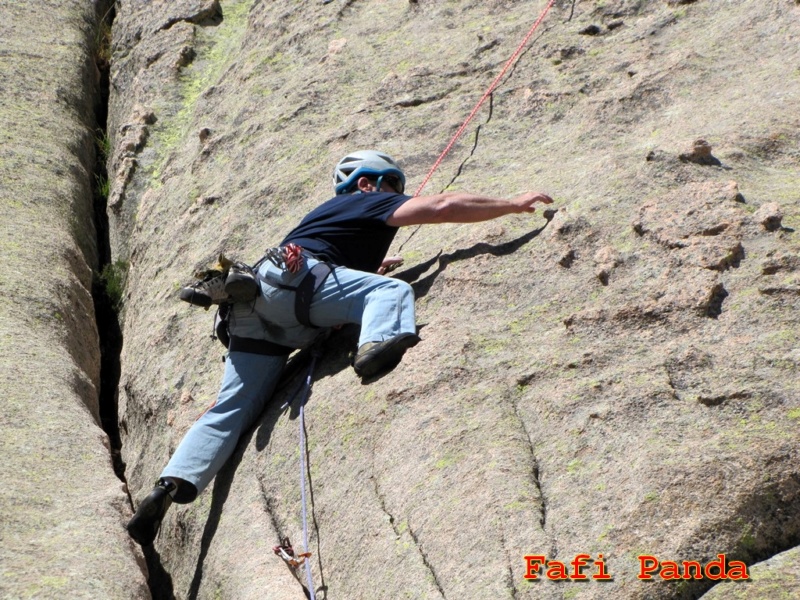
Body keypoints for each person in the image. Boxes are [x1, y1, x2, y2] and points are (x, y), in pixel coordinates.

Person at [126, 150, 553, 546]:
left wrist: (360, 267)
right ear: (366, 185)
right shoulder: (364, 202)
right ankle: (374, 347)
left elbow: (332, 254)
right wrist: (511, 204)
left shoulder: (331, 217)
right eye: (390, 186)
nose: (395, 196)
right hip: (300, 287)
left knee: (230, 410)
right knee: (389, 293)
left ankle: (171, 484)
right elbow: (442, 206)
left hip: (256, 315)